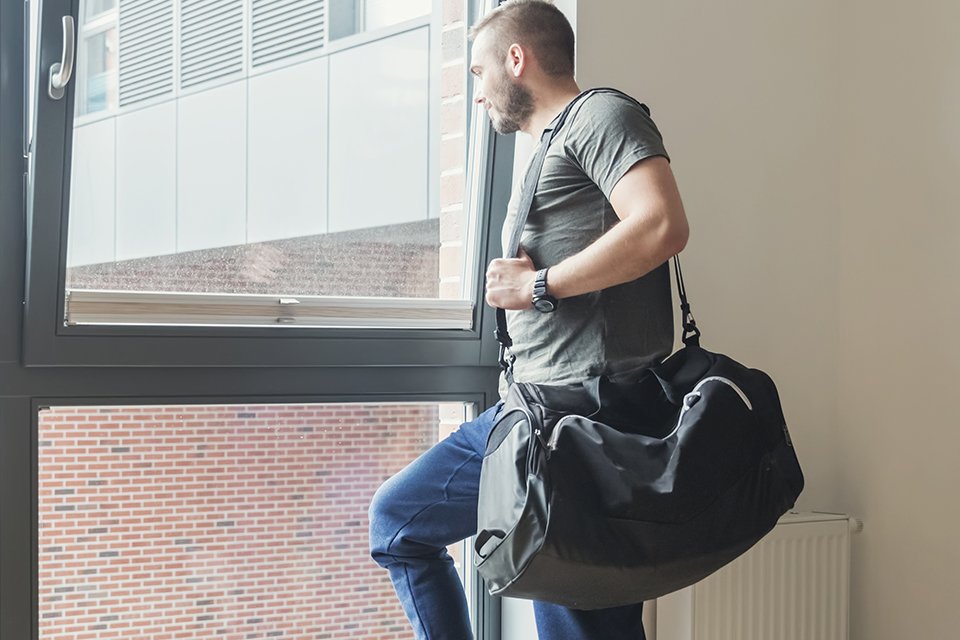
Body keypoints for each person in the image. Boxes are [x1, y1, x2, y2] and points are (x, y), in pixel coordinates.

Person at [369, 1, 689, 638]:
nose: (477, 92)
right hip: (541, 414)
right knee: (401, 523)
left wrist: (537, 283)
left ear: (517, 60)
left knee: (582, 618)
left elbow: (661, 224)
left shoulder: (601, 115)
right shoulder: (551, 142)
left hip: (580, 421)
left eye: (479, 72)